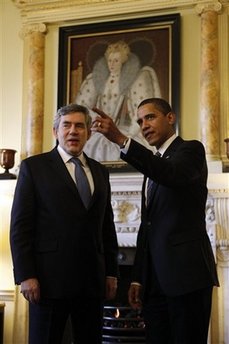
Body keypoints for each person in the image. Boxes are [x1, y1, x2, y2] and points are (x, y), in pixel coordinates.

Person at [89, 98, 219, 344]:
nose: (144, 125)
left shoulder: (190, 150)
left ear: (170, 118)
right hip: (154, 283)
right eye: (139, 121)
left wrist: (120, 139)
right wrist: (138, 276)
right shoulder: (153, 165)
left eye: (150, 117)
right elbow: (147, 227)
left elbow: (172, 174)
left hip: (186, 277)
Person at [10, 103, 119, 344]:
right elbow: (20, 227)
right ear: (55, 131)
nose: (73, 131)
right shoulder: (34, 168)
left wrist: (112, 271)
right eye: (66, 125)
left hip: (92, 283)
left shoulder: (101, 172)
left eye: (80, 126)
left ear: (89, 133)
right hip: (48, 282)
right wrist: (26, 275)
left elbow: (106, 226)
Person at [76, 40, 161, 161]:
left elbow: (139, 111)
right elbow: (82, 106)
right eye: (110, 60)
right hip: (100, 132)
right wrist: (97, 122)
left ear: (123, 61)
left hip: (123, 131)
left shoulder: (136, 79)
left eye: (116, 60)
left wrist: (131, 134)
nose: (112, 64)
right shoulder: (96, 80)